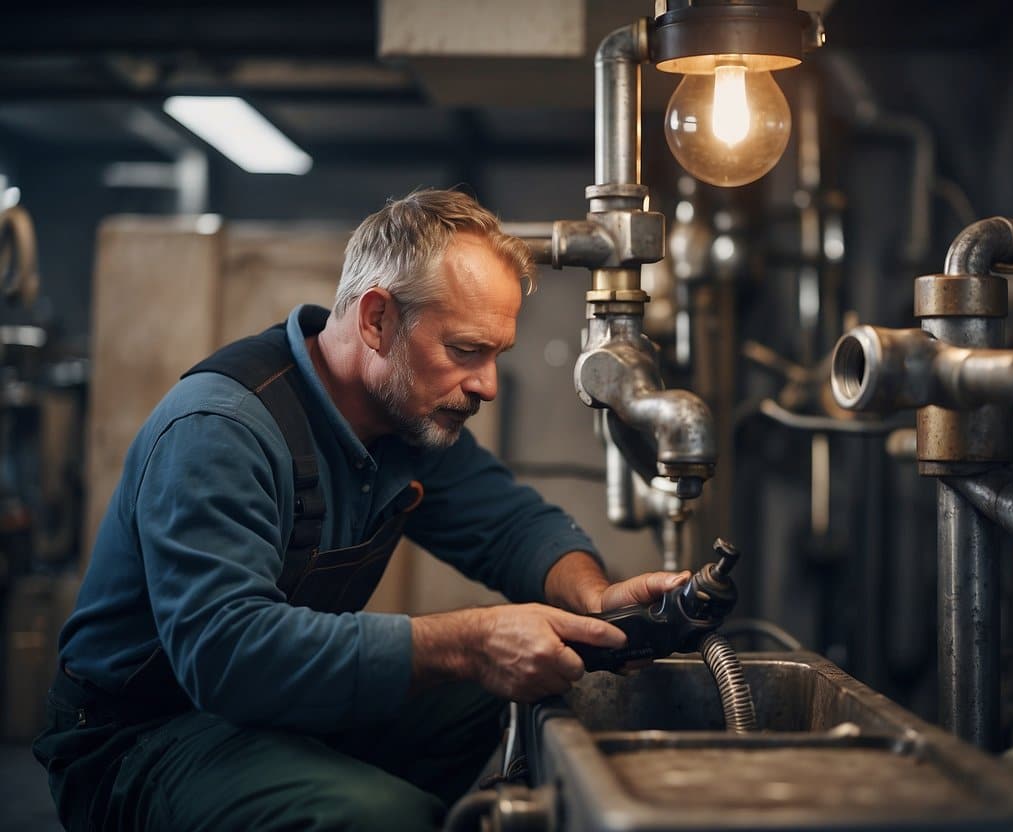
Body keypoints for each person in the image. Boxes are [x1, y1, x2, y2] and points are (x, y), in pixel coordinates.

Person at [34, 188, 689, 832]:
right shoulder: (222, 429)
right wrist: (469, 640)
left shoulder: (406, 417)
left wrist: (597, 598)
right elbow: (226, 654)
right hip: (137, 738)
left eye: (496, 355)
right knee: (380, 814)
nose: (487, 384)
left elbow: (512, 526)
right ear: (377, 320)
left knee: (519, 683)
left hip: (262, 712)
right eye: (465, 351)